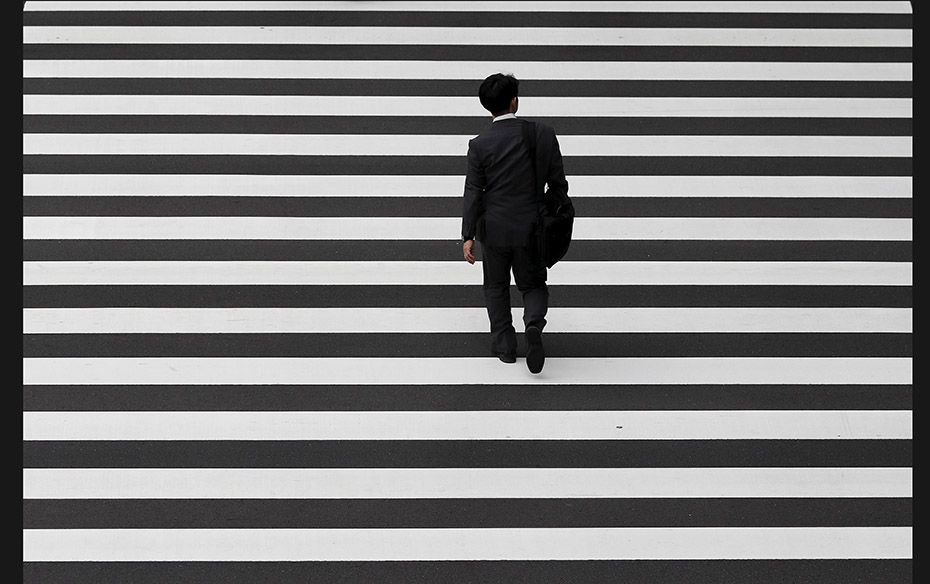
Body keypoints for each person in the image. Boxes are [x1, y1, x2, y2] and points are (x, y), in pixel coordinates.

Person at [461, 73, 569, 374]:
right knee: (533, 283)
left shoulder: (480, 145)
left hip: (493, 228)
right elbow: (558, 184)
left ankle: (505, 347)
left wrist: (467, 235)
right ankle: (533, 324)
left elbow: (473, 191)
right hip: (531, 227)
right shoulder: (543, 135)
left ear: (487, 107)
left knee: (495, 286)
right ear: (514, 101)